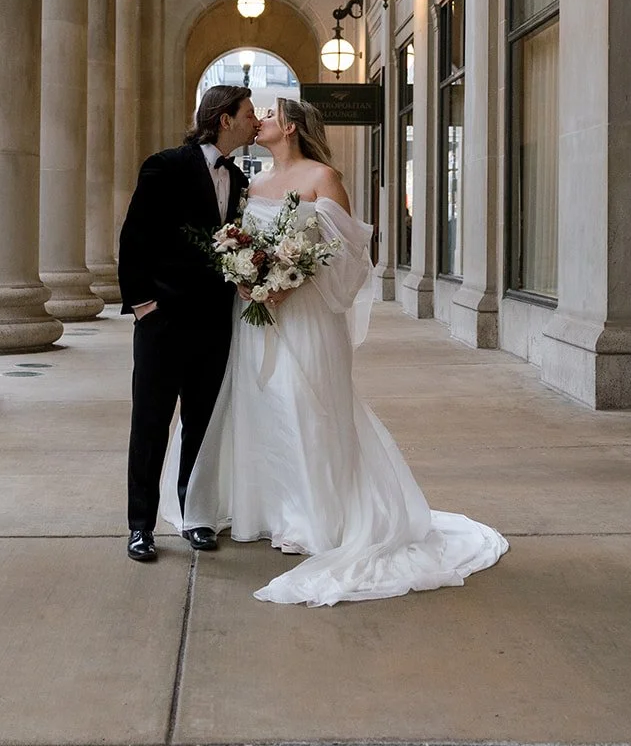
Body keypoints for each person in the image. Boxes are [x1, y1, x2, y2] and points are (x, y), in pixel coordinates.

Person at [161, 95, 509, 606]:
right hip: (255, 317)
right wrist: (246, 281)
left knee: (308, 406)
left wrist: (291, 278)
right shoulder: (250, 185)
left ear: (292, 127)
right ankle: (269, 509)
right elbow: (235, 244)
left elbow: (348, 259)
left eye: (271, 117)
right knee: (259, 408)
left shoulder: (323, 178)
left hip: (305, 317)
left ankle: (315, 515)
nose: (260, 122)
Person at [118, 84, 259, 563]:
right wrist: (142, 305)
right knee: (152, 424)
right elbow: (135, 238)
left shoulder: (240, 182)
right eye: (248, 113)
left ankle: (196, 516)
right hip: (162, 322)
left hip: (216, 326)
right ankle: (141, 527)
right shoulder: (165, 165)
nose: (255, 120)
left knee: (203, 425)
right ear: (224, 119)